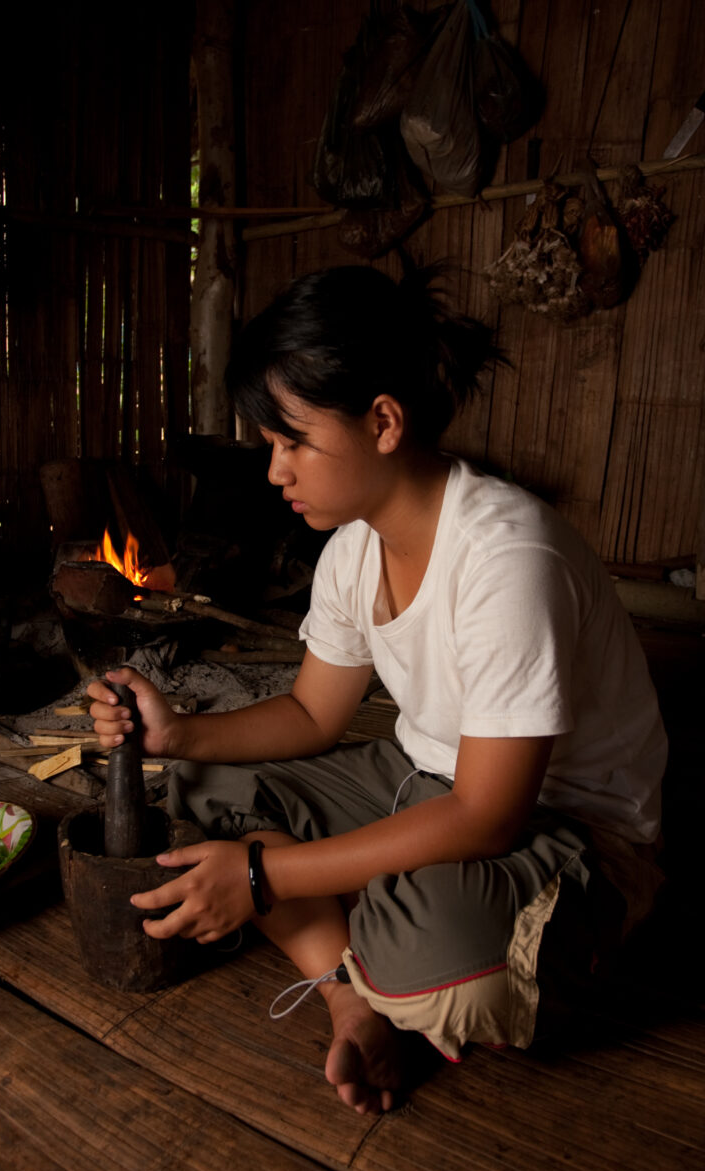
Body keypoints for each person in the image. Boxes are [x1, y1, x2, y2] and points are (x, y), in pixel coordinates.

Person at [88, 265, 667, 1116]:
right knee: (203, 783)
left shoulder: (507, 558)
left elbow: (487, 817)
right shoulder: (354, 549)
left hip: (569, 830)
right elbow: (313, 713)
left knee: (434, 952)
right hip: (424, 781)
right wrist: (178, 736)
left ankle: (387, 947)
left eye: (293, 443)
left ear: (384, 421)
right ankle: (349, 994)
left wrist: (259, 878)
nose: (276, 471)